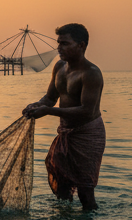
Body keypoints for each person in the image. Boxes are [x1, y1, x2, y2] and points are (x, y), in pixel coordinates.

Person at [22, 23, 105, 210]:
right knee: (62, 185)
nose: (59, 48)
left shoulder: (91, 73)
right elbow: (50, 98)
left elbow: (87, 111)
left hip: (88, 135)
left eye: (65, 43)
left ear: (81, 45)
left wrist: (48, 111)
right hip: (66, 132)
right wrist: (36, 105)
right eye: (58, 43)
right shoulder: (59, 67)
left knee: (85, 191)